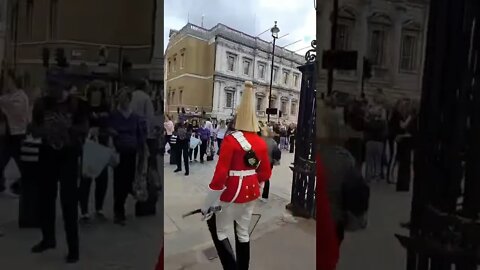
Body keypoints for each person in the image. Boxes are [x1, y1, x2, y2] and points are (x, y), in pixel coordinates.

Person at [201, 81, 272, 269]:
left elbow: (220, 175)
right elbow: (265, 172)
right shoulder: (261, 142)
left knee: (220, 231)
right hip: (251, 193)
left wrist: (208, 202)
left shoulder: (231, 141)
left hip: (231, 194)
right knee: (243, 232)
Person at [30, 76, 89, 263]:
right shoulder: (41, 104)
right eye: (49, 86)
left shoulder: (77, 104)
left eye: (54, 86)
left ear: (63, 86)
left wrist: (68, 128)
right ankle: (48, 239)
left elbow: (84, 128)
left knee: (69, 203)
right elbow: (34, 128)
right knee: (45, 199)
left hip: (68, 157)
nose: (50, 90)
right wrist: (45, 130)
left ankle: (74, 249)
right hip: (47, 155)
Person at [108, 88, 147, 225]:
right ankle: (118, 212)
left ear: (129, 100)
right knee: (119, 182)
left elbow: (139, 135)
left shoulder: (134, 117)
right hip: (119, 153)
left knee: (128, 180)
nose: (123, 102)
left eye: (125, 99)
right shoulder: (114, 115)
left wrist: (142, 151)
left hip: (132, 152)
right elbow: (109, 130)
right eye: (121, 99)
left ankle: (121, 207)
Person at [79, 82, 110, 223]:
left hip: (102, 146)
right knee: (86, 179)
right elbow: (79, 125)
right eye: (94, 93)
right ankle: (84, 210)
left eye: (99, 94)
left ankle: (99, 208)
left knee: (102, 179)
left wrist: (103, 131)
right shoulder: (84, 108)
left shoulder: (106, 108)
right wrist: (88, 131)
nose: (96, 96)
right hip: (87, 146)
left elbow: (110, 125)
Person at [0, 69, 29, 194]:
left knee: (21, 163)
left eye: (7, 79)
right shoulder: (8, 96)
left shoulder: (20, 96)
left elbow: (14, 108)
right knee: (1, 159)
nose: (5, 82)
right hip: (9, 134)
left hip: (18, 134)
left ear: (13, 80)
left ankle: (24, 185)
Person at [363, 94, 387, 182]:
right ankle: (377, 176)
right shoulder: (382, 121)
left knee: (369, 160)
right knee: (377, 160)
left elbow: (366, 125)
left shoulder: (369, 119)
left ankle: (368, 176)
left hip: (370, 140)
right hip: (379, 141)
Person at [259, 127, 280, 202]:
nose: (261, 132)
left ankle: (262, 194)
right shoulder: (272, 142)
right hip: (266, 162)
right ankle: (264, 195)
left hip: (264, 162)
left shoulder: (262, 140)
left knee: (263, 177)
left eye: (263, 131)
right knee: (265, 178)